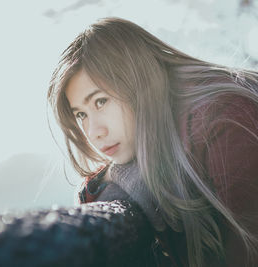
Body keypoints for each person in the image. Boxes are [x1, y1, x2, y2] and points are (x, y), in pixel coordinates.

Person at [47, 17, 258, 267]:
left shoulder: (225, 118)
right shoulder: (162, 136)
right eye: (81, 114)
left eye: (100, 101)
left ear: (137, 82)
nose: (94, 132)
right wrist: (118, 179)